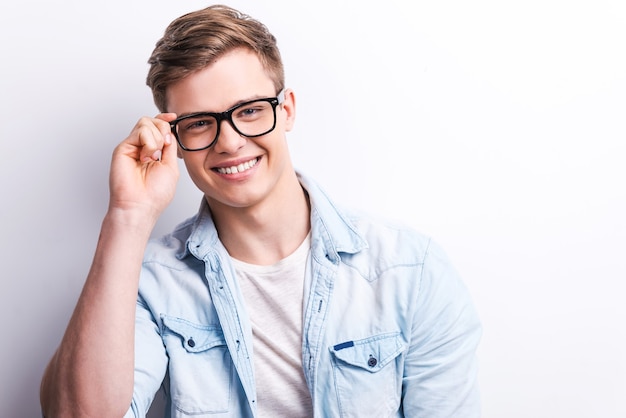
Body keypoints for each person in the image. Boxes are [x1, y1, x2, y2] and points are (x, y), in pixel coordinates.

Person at [40, 4, 482, 417]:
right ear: (172, 140)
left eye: (250, 111)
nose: (229, 142)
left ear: (286, 109)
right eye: (199, 122)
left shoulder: (410, 271)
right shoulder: (150, 284)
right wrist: (128, 214)